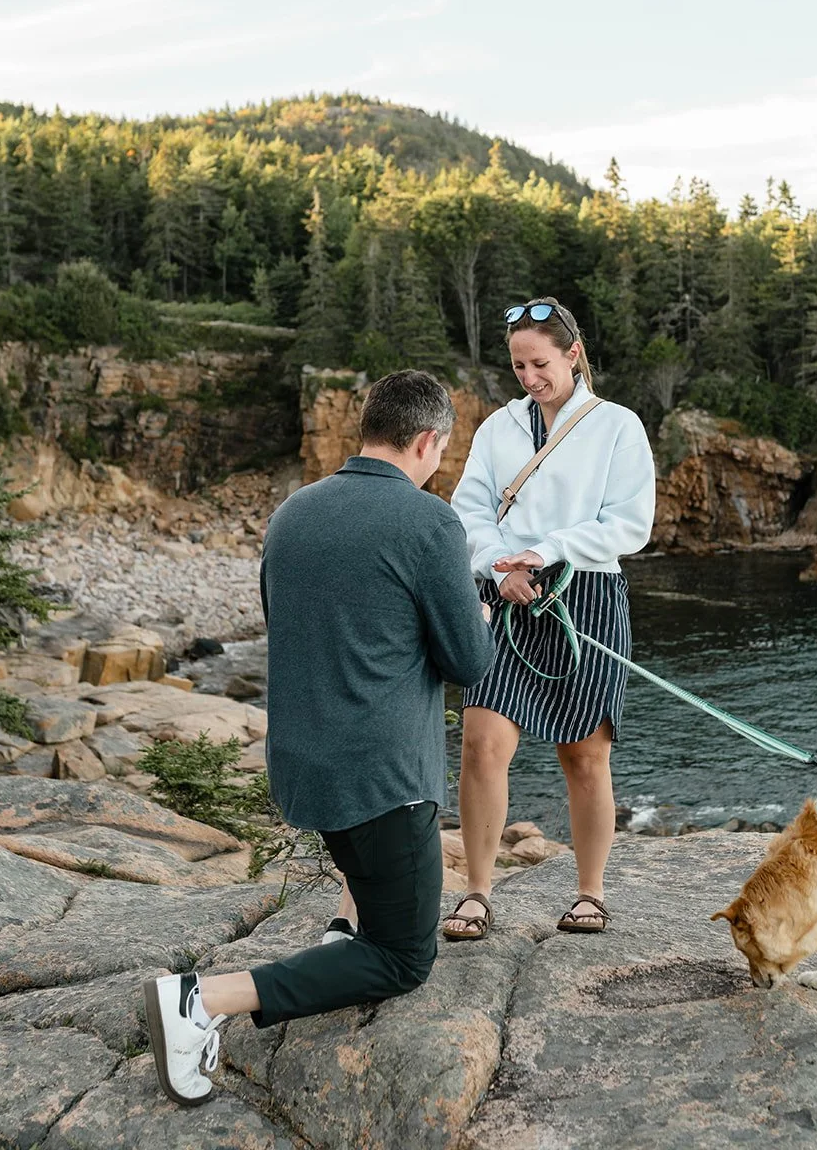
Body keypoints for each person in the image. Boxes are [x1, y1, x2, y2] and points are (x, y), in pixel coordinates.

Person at [144, 369, 495, 1107]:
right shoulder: (429, 522)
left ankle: (342, 933)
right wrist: (482, 616)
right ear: (428, 441)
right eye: (441, 450)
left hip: (305, 769)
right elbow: (468, 662)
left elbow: (304, 621)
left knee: (371, 900)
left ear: (366, 427)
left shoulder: (293, 511)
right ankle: (200, 1002)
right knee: (403, 958)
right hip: (382, 782)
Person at [443, 298, 654, 941]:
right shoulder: (497, 429)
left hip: (584, 594)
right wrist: (498, 565)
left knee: (585, 755)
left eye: (539, 363)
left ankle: (589, 893)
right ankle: (476, 893)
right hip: (504, 593)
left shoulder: (618, 426)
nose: (529, 377)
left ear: (573, 354)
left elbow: (630, 524)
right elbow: (468, 508)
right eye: (517, 366)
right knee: (481, 746)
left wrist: (548, 550)